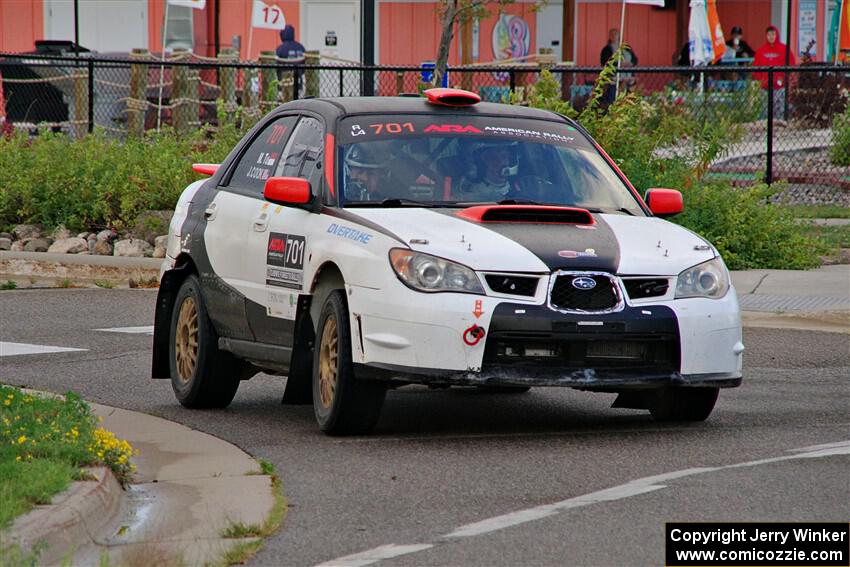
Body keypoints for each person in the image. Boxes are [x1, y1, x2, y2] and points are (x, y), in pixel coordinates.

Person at [600, 29, 638, 106]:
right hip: (614, 76)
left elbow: (635, 59)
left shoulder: (626, 48)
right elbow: (605, 62)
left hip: (628, 75)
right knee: (613, 96)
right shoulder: (607, 49)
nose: (615, 36)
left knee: (629, 95)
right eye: (613, 34)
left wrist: (630, 63)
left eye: (616, 34)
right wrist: (619, 64)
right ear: (610, 37)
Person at [753, 25, 796, 90]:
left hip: (780, 86)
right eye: (769, 35)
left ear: (777, 35)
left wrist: (784, 78)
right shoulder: (760, 51)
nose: (771, 37)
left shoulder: (785, 49)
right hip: (764, 86)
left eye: (773, 34)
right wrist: (761, 80)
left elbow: (791, 65)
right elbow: (756, 67)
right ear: (766, 36)